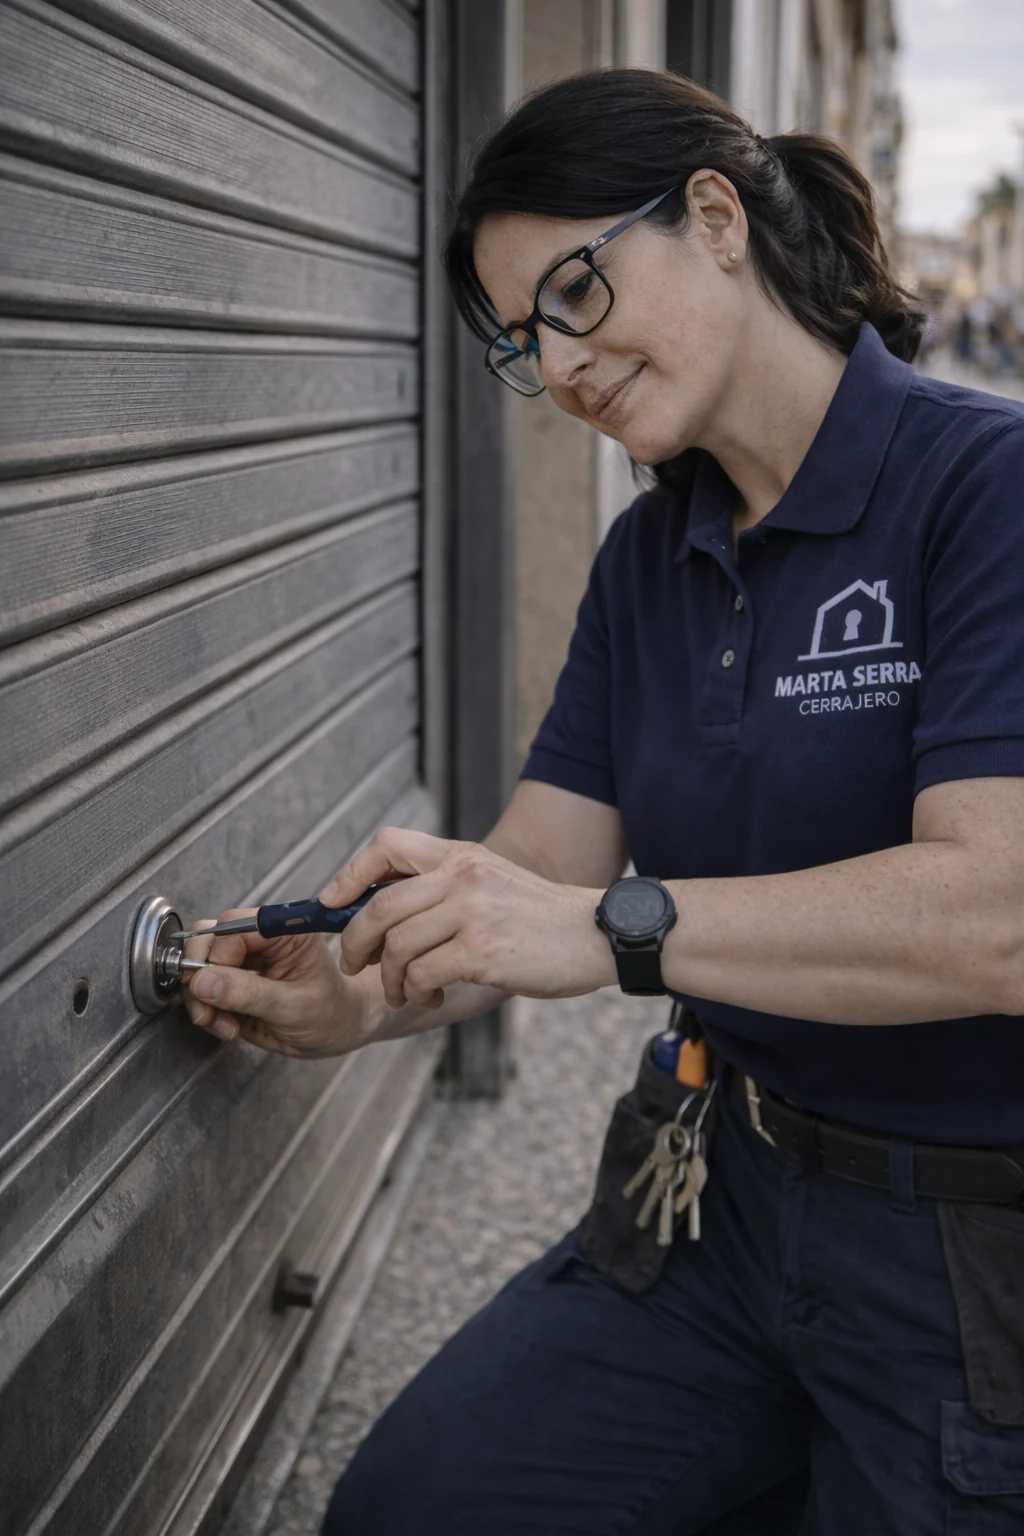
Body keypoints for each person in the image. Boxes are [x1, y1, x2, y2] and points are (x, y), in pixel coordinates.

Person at [183, 71, 1024, 1535]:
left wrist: (617, 928)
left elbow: (995, 918)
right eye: (523, 341)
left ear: (715, 218)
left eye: (576, 292)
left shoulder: (985, 489)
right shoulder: (650, 561)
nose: (560, 367)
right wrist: (357, 998)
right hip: (714, 1199)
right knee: (412, 1509)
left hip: (968, 1247)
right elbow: (539, 871)